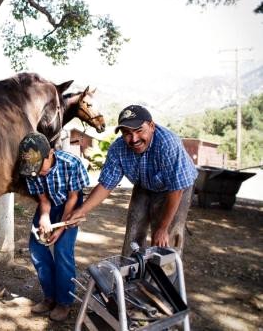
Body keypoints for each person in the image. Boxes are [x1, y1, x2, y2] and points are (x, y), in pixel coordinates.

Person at [68, 105, 198, 257]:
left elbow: (176, 189)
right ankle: (131, 276)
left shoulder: (167, 143)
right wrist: (81, 210)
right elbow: (106, 184)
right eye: (127, 133)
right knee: (134, 232)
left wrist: (163, 228)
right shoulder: (118, 148)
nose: (134, 139)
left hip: (177, 187)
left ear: (151, 126)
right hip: (144, 184)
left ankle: (166, 277)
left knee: (165, 239)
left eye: (139, 131)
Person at [18, 132, 90, 322]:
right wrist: (44, 217)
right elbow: (43, 199)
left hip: (70, 203)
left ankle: (64, 301)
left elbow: (74, 197)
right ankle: (50, 297)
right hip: (48, 203)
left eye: (40, 166)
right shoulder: (30, 169)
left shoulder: (71, 163)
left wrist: (60, 228)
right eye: (32, 169)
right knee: (36, 248)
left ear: (50, 154)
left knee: (62, 249)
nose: (37, 172)